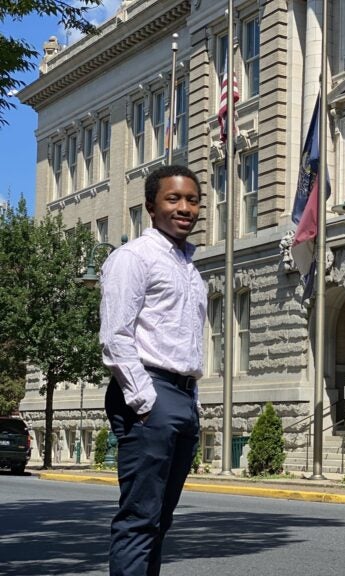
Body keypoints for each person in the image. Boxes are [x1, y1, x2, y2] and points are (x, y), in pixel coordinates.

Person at [100, 164, 207, 576]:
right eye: (174, 199)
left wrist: (190, 400)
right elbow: (116, 336)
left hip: (181, 397)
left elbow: (185, 340)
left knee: (160, 520)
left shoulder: (188, 267)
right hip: (150, 393)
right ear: (151, 206)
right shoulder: (133, 258)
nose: (185, 207)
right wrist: (146, 401)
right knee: (140, 519)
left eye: (192, 200)